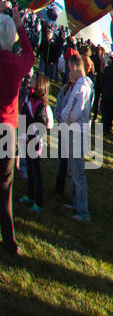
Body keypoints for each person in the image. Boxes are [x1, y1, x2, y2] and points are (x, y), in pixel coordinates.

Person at [0, 11, 34, 255]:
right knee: (5, 186)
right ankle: (10, 242)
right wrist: (21, 28)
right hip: (6, 130)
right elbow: (31, 55)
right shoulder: (16, 64)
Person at [56, 51, 94, 222]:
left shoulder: (82, 87)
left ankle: (83, 211)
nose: (68, 73)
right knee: (73, 169)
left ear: (76, 67)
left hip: (76, 133)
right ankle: (76, 203)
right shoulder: (81, 86)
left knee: (78, 172)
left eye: (70, 69)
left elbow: (72, 112)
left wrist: (63, 116)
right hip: (74, 132)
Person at [20, 74, 53, 212]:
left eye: (34, 79)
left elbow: (41, 125)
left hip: (34, 141)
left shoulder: (40, 104)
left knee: (36, 171)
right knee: (30, 168)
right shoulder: (30, 97)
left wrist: (30, 136)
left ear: (39, 84)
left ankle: (39, 202)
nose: (31, 80)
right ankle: (30, 194)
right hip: (27, 139)